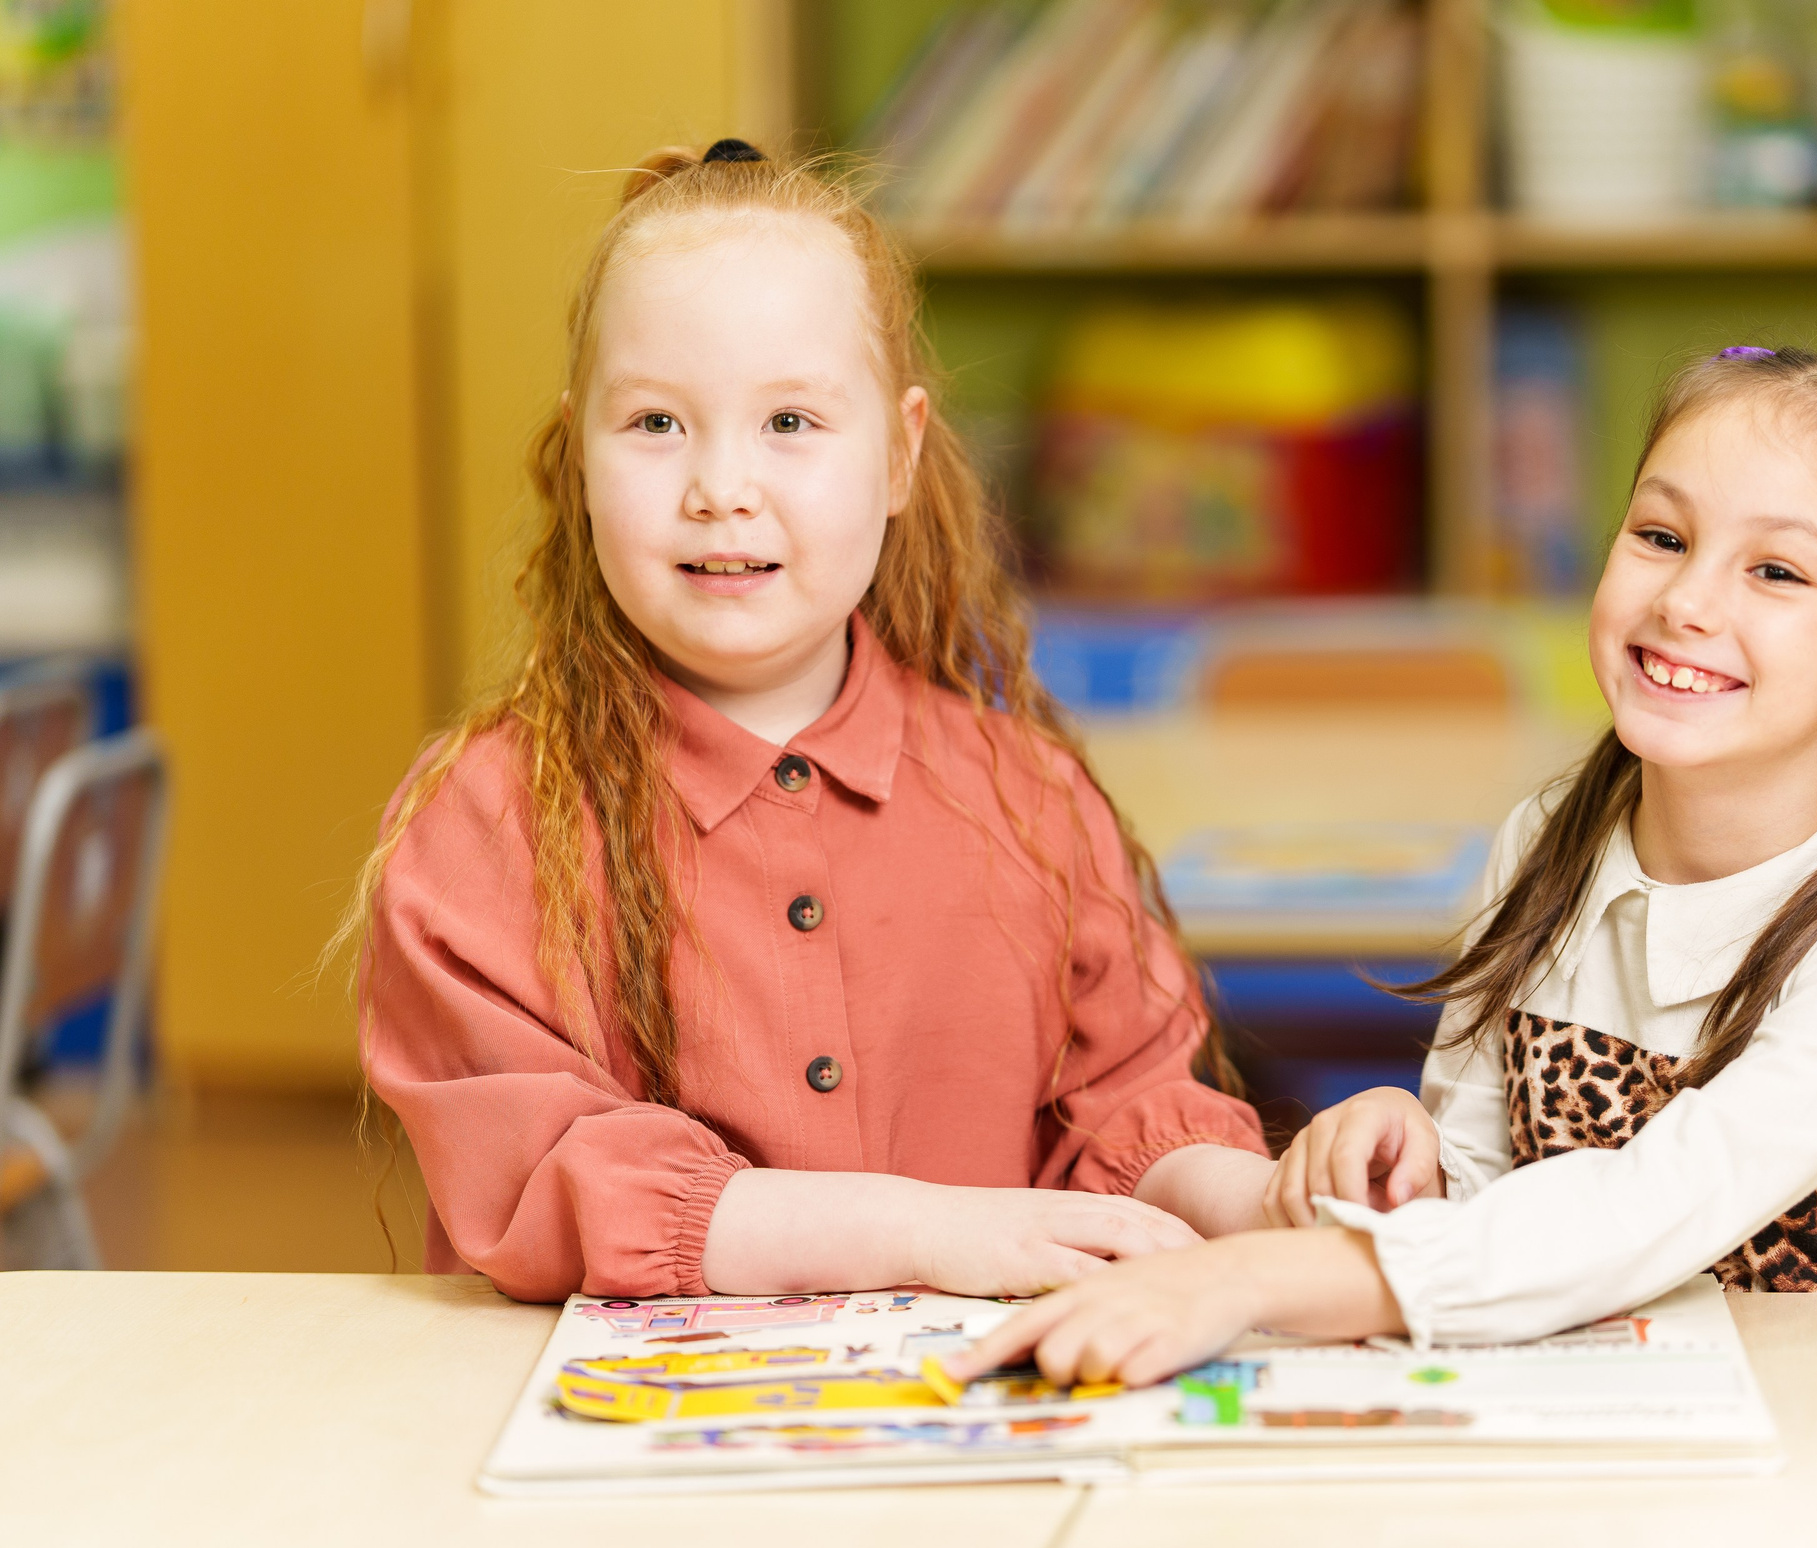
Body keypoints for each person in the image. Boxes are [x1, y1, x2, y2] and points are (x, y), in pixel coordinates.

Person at [952, 345, 1817, 1387]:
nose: (1687, 602)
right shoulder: (1545, 844)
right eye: (1662, 538)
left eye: (1774, 570)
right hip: (1587, 1436)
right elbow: (1486, 1206)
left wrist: (1245, 1275)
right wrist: (1410, 1152)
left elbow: (1644, 1207)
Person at [348, 142, 1274, 1305]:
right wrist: (925, 1233)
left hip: (983, 1451)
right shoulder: (479, 825)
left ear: (898, 452)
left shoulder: (1028, 796)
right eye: (654, 424)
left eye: (789, 421)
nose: (721, 486)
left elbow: (1133, 1120)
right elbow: (556, 1178)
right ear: (578, 451)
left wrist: (1276, 1202)